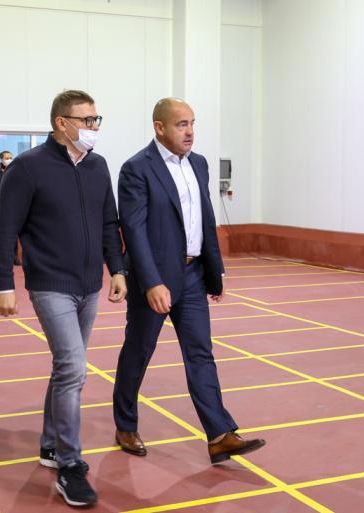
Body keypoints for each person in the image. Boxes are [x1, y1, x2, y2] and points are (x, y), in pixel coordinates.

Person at [0, 90, 126, 508]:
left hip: (89, 285)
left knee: (65, 367)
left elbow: (108, 223)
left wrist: (117, 269)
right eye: (86, 120)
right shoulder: (29, 167)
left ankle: (50, 444)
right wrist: (3, 284)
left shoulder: (98, 166)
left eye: (96, 119)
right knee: (73, 368)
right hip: (49, 284)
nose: (94, 127)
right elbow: (4, 230)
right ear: (61, 123)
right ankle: (70, 465)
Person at [113, 97, 265, 464]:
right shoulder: (137, 168)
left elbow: (204, 219)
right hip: (155, 279)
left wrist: (215, 273)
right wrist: (151, 281)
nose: (190, 131)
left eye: (192, 123)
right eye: (181, 124)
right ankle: (125, 424)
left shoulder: (199, 164)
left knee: (200, 353)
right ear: (159, 127)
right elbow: (133, 230)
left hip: (193, 275)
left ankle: (220, 435)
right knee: (139, 350)